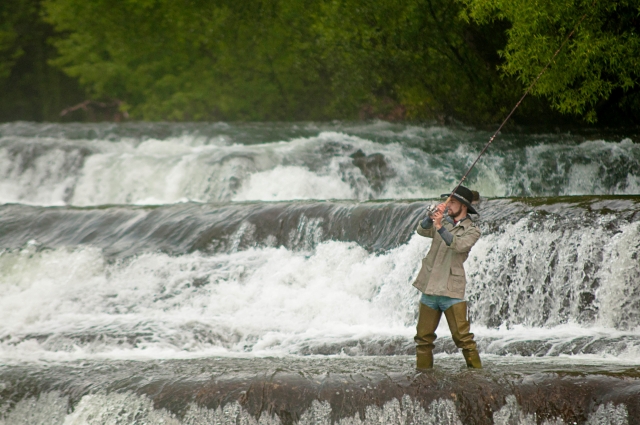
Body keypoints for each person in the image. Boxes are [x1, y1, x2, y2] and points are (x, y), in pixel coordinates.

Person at [412, 185, 482, 369]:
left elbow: (458, 245)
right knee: (423, 339)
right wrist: (431, 217)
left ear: (464, 206)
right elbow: (421, 230)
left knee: (464, 339)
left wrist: (440, 226)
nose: (447, 205)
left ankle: (477, 376)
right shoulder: (442, 221)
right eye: (447, 201)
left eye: (452, 202)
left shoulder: (473, 230)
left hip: (451, 290)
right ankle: (423, 376)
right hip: (430, 288)